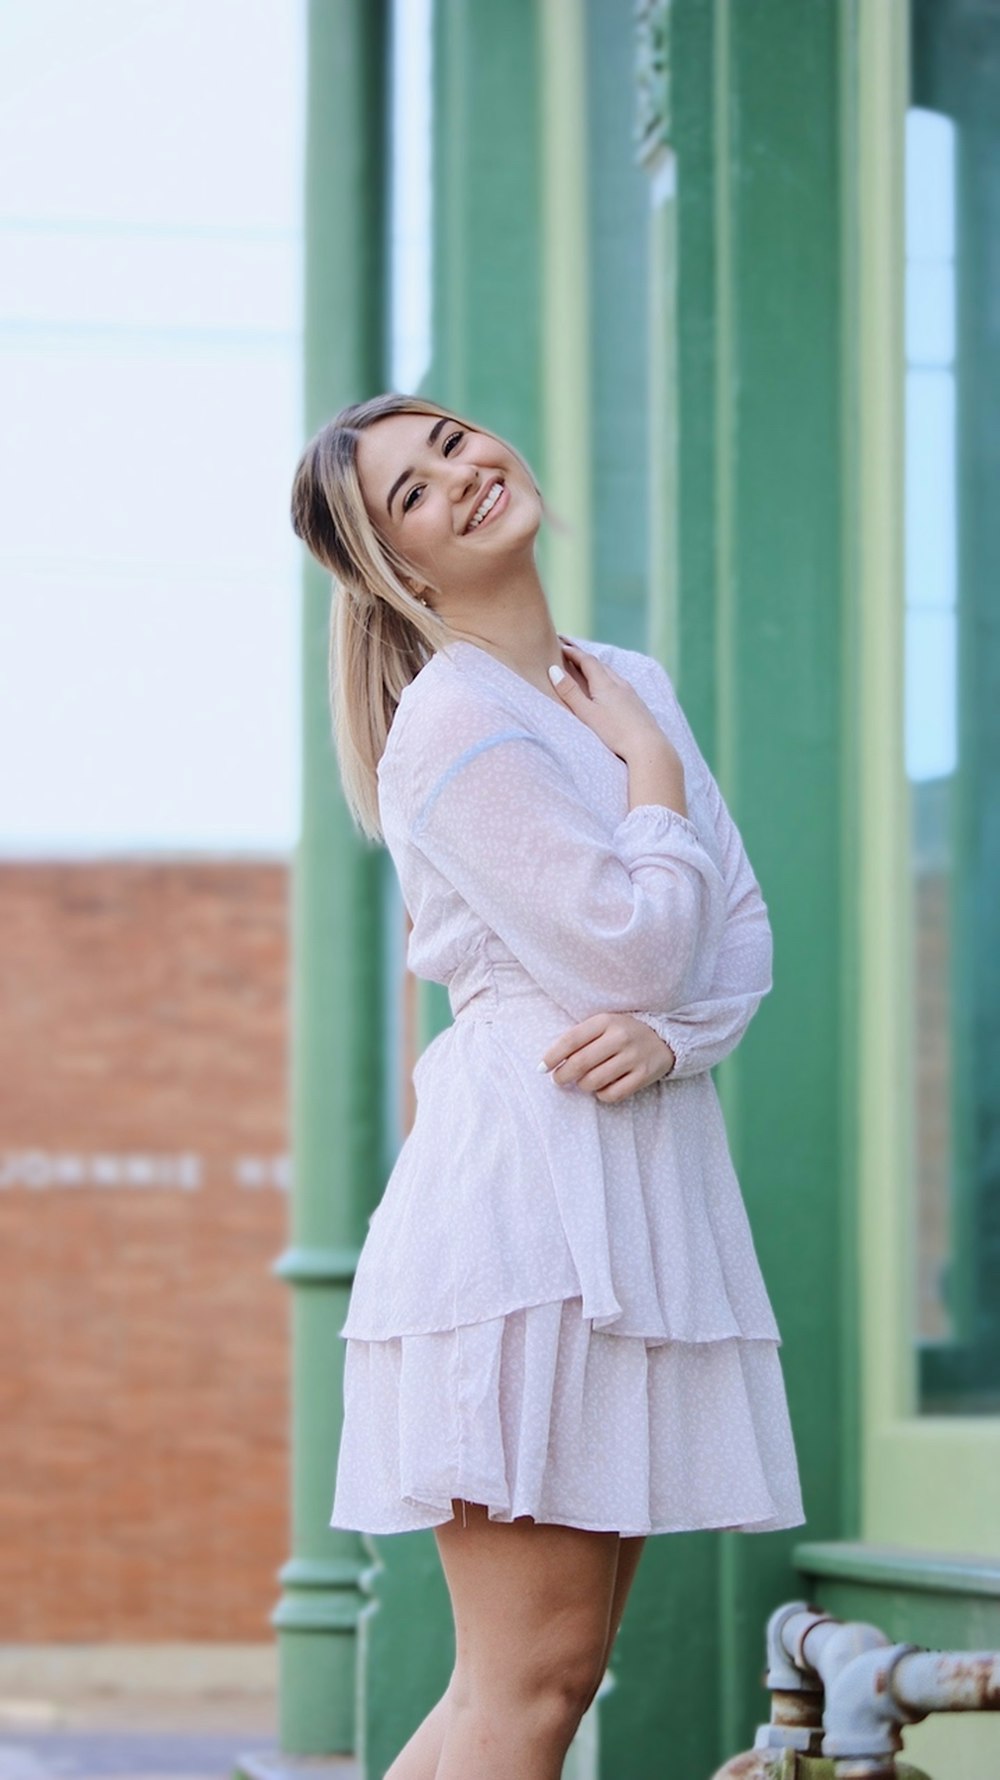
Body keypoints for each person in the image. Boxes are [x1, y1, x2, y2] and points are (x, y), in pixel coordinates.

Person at [290, 393, 804, 1780]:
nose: (459, 473)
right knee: (529, 1680)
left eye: (454, 442)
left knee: (540, 1680)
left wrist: (676, 1039)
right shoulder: (455, 722)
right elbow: (630, 940)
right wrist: (646, 779)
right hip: (526, 1208)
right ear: (397, 572)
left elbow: (734, 930)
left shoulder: (621, 675)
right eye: (410, 491)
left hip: (632, 1176)